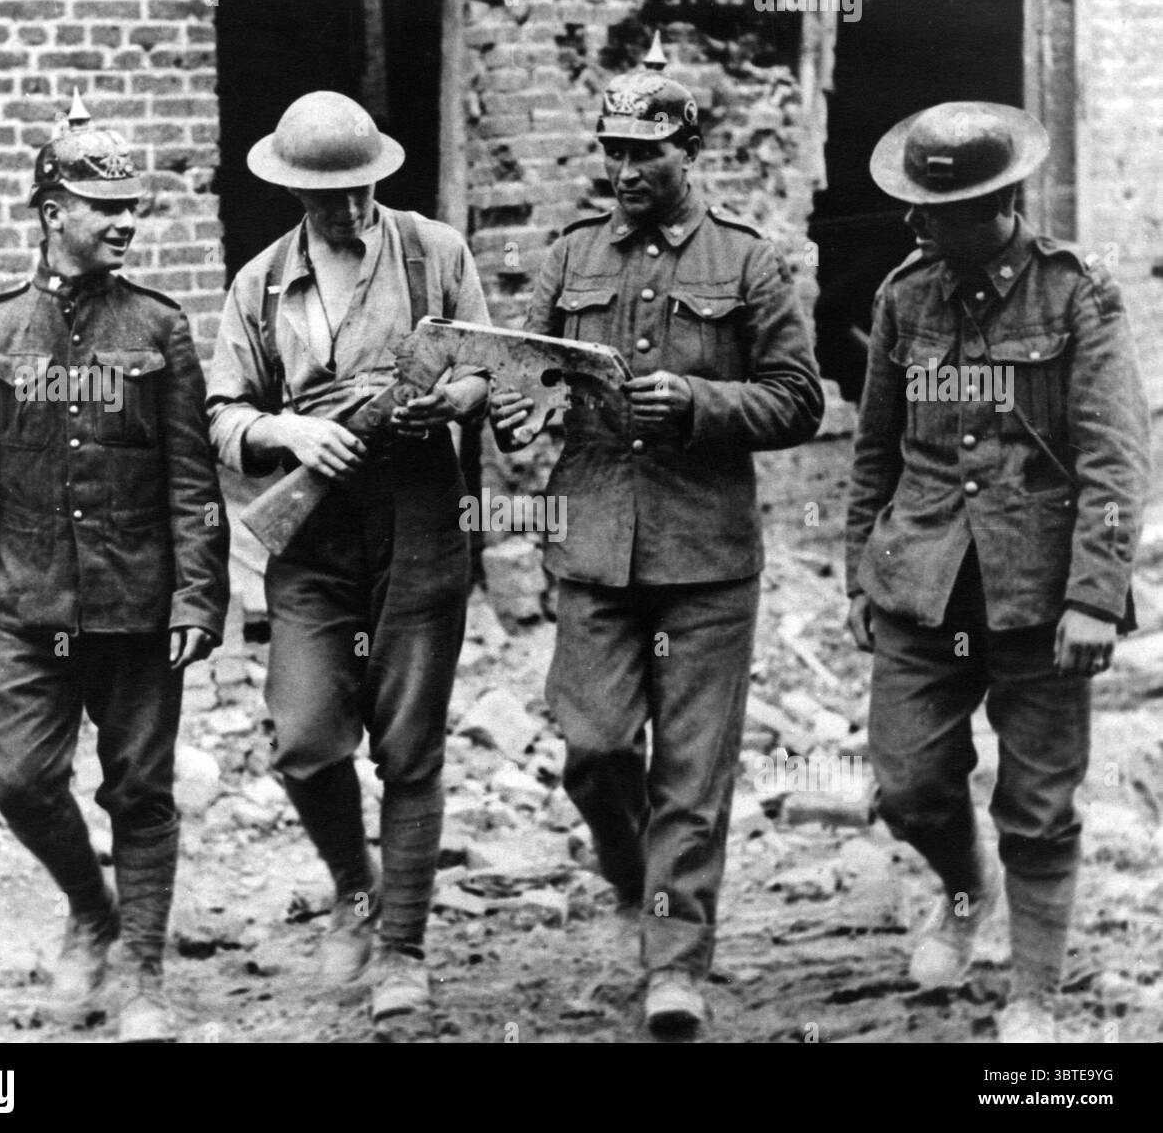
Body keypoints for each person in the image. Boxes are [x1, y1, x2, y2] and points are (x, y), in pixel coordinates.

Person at [491, 51, 823, 1038]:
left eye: (645, 153)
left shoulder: (747, 260)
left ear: (689, 149)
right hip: (592, 542)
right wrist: (520, 413)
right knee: (593, 752)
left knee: (690, 772)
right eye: (613, 152)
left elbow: (799, 398)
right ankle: (647, 894)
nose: (624, 170)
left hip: (705, 556)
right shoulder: (568, 255)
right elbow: (527, 367)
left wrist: (696, 404)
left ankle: (675, 963)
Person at [846, 101, 1150, 1042]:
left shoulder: (1079, 293)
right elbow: (874, 450)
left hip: (1041, 593)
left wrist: (1096, 596)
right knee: (907, 785)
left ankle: (1034, 995)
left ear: (995, 204)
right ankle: (965, 889)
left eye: (933, 210)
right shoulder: (906, 296)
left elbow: (1114, 456)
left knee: (1040, 806)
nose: (914, 225)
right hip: (924, 582)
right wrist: (863, 569)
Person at [0, 94, 229, 1042]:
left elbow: (193, 479)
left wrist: (198, 596)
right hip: (29, 604)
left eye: (134, 206)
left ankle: (141, 966)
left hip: (139, 605)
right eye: (105, 206)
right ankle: (91, 909)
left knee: (141, 791)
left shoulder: (159, 329)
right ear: (52, 211)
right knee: (17, 781)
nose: (126, 222)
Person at [205, 91, 491, 1030]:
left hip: (416, 516)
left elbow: (487, 364)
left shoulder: (436, 251)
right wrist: (288, 430)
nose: (349, 209)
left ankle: (402, 947)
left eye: (362, 189)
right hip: (315, 532)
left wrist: (449, 403)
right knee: (303, 736)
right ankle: (352, 890)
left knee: (410, 746)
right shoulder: (259, 284)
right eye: (328, 196)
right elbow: (221, 413)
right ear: (294, 192)